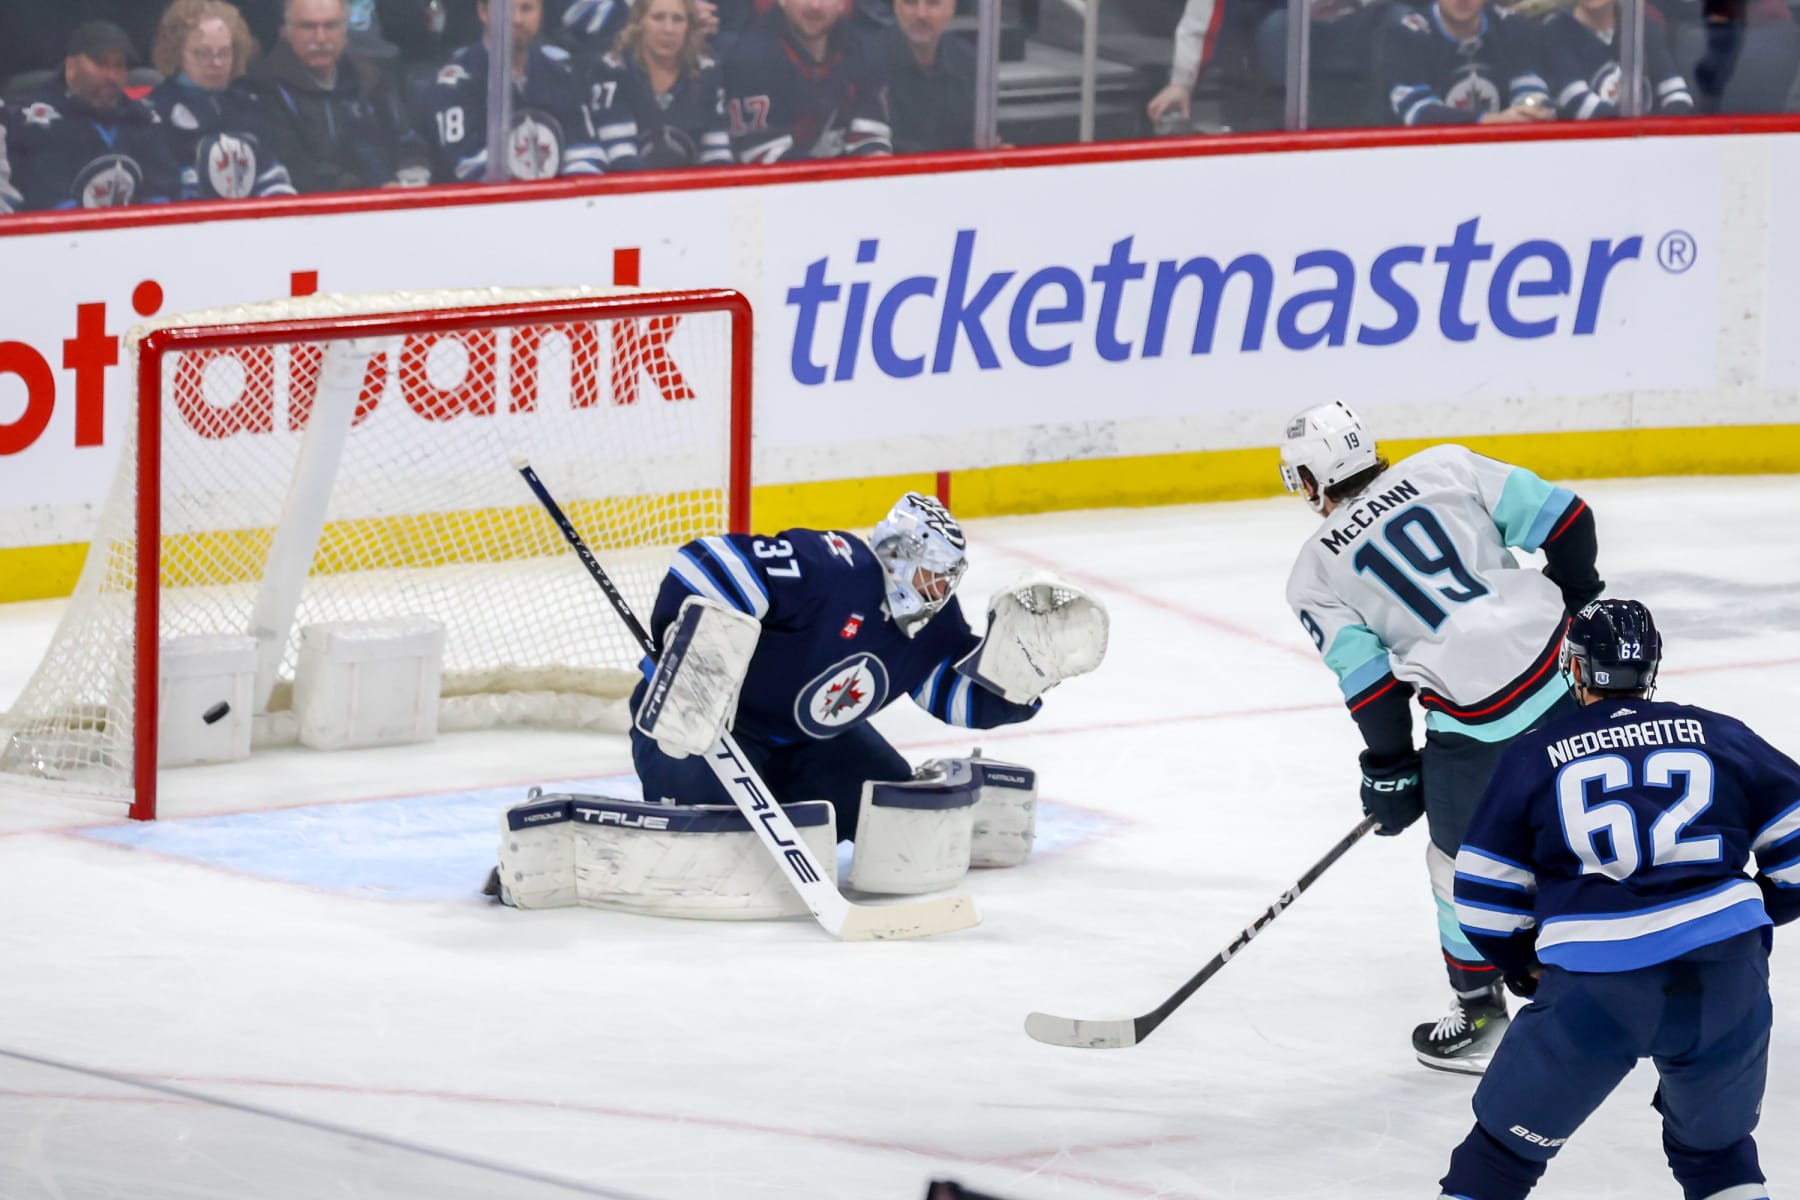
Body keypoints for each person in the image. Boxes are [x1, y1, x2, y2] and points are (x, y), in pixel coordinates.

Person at [1279, 400, 1603, 1072]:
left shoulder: (1315, 569)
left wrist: (1391, 771)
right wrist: (1575, 601)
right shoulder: (1446, 466)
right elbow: (1570, 520)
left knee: (1458, 870)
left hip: (1477, 725)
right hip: (1569, 676)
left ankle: (1481, 1011)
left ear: (1312, 481)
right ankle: (1650, 968)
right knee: (1597, 812)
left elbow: (1372, 688)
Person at [1437, 598, 1799, 1200]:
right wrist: (1758, 907)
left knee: (1499, 1158)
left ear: (1575, 669)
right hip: (1727, 982)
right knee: (1720, 1160)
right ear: (1649, 667)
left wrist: (1523, 965)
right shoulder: (1720, 734)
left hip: (1596, 990)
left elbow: (1481, 896)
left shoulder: (1535, 754)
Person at [629, 492, 1103, 842]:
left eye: (946, 579)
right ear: (898, 553)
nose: (938, 591)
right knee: (711, 836)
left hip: (807, 744)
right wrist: (694, 659)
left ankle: (781, 796)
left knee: (895, 815)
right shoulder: (834, 569)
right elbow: (703, 564)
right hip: (705, 729)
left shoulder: (934, 625)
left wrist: (1027, 672)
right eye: (931, 574)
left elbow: (955, 697)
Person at [247, 0, 430, 192]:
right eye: (308, 27)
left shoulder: (372, 77)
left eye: (330, 25)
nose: (321, 38)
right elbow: (294, 166)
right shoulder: (264, 89)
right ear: (286, 31)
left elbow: (408, 142)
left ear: (345, 30)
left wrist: (411, 182)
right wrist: (370, 190)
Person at [413, 0, 606, 182]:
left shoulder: (560, 75)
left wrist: (568, 204)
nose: (517, 19)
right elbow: (471, 168)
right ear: (483, 12)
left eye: (527, 8)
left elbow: (585, 155)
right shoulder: (456, 83)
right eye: (505, 9)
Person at [3, 21, 182, 210]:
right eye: (101, 63)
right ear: (71, 67)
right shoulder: (37, 121)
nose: (112, 76)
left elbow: (165, 189)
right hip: (63, 235)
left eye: (119, 65)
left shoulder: (144, 119)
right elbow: (42, 195)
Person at [147, 0, 298, 200]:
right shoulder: (155, 112)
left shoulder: (247, 105)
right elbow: (159, 192)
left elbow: (270, 174)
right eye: (203, 53)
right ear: (176, 53)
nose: (216, 63)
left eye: (224, 53)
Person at [723, 0, 892, 162]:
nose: (815, 5)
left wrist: (874, 160)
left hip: (846, 185)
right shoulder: (749, 60)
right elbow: (763, 157)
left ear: (843, 3)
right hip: (775, 189)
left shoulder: (864, 52)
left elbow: (869, 140)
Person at [590, 0, 733, 169]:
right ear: (639, 23)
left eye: (678, 19)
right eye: (658, 18)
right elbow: (621, 154)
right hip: (631, 188)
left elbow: (716, 152)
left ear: (689, 26)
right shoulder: (613, 70)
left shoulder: (707, 72)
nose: (668, 29)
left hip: (692, 188)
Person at [1375, 0, 1556, 124]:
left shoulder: (1511, 25)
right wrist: (1492, 121)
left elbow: (1531, 88)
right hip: (1428, 159)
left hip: (1501, 155)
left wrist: (1533, 109)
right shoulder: (1406, 33)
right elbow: (1419, 112)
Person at [1539, 0, 1694, 117]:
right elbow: (1576, 101)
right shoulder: (1555, 30)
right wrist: (1636, 135)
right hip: (1585, 151)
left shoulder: (1641, 26)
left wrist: (1659, 136)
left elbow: (1677, 93)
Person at [879, 0, 976, 153]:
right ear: (896, 7)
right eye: (910, 3)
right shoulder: (868, 62)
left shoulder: (969, 62)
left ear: (952, 8)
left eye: (933, 3)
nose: (921, 14)